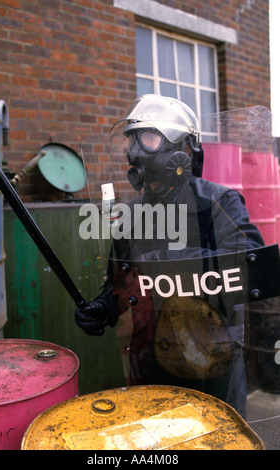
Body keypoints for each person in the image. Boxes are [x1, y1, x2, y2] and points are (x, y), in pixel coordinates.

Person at [75, 94, 265, 417]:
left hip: (214, 360)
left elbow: (253, 267)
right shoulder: (131, 215)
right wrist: (104, 307)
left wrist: (160, 261)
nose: (135, 150)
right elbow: (121, 284)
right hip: (151, 361)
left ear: (183, 152)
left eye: (148, 138)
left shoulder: (219, 202)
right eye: (131, 140)